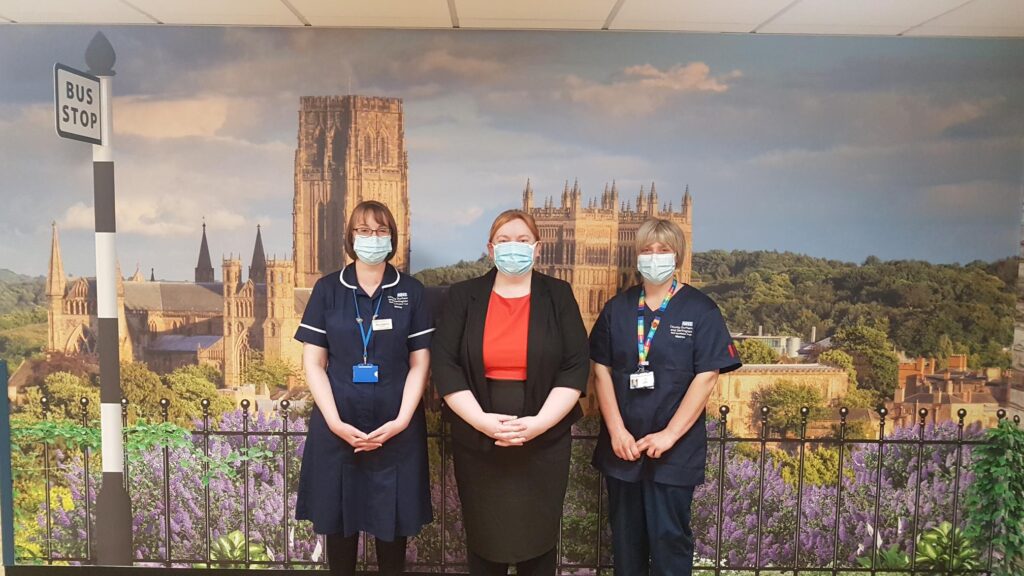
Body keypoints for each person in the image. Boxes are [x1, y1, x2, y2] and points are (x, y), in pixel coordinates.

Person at [431, 209, 590, 576]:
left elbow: (575, 365)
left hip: (544, 440)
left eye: (522, 240)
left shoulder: (559, 295)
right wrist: (482, 422)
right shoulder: (463, 296)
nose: (513, 248)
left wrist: (540, 424)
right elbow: (446, 364)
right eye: (504, 241)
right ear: (490, 249)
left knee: (539, 548)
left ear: (537, 249)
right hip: (478, 439)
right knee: (486, 547)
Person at [590, 218, 741, 576]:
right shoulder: (618, 309)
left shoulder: (700, 310)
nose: (654, 256)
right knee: (626, 546)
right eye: (647, 249)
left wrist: (671, 434)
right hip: (623, 450)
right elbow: (600, 371)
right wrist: (616, 432)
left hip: (675, 452)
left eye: (663, 250)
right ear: (636, 255)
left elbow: (707, 377)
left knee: (670, 541)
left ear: (678, 256)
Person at [293, 200, 433, 576]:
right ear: (350, 238)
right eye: (364, 230)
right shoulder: (326, 290)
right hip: (338, 430)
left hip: (397, 430)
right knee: (339, 534)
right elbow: (313, 363)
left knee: (393, 539)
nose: (373, 238)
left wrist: (403, 420)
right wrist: (336, 422)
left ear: (393, 237)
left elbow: (420, 363)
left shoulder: (411, 291)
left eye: (381, 230)